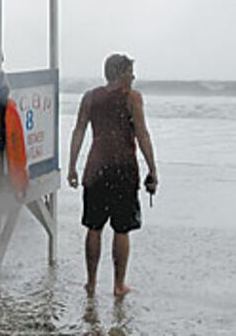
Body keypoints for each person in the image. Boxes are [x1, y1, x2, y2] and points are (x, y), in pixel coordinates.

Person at [67, 54, 158, 297]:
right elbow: (142, 134)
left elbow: (78, 131)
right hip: (123, 170)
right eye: (130, 72)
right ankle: (118, 285)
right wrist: (153, 169)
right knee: (121, 228)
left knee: (93, 227)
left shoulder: (90, 97)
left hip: (95, 169)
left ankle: (91, 282)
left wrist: (72, 166)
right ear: (120, 73)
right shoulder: (132, 99)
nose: (134, 76)